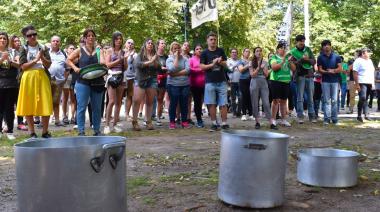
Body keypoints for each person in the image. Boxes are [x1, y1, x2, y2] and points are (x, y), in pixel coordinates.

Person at [66, 28, 105, 136]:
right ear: (85, 38)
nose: (91, 37)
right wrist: (75, 68)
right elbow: (68, 60)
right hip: (82, 82)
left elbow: (103, 62)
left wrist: (100, 54)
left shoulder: (99, 50)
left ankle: (97, 130)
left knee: (97, 107)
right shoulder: (79, 50)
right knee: (82, 106)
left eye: (92, 35)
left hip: (97, 82)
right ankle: (81, 131)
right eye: (88, 36)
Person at [16, 25, 52, 138]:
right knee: (28, 104)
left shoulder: (43, 47)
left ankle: (45, 132)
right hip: (28, 77)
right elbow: (22, 66)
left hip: (42, 76)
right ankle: (32, 132)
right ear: (26, 37)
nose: (32, 37)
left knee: (45, 103)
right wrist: (35, 60)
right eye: (29, 35)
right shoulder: (23, 48)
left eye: (34, 34)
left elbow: (49, 64)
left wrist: (42, 58)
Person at [200, 32, 229, 131]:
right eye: (211, 39)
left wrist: (220, 62)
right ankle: (214, 123)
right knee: (211, 103)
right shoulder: (204, 53)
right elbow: (202, 67)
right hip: (210, 82)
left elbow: (226, 64)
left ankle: (224, 123)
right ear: (207, 41)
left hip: (222, 81)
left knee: (223, 103)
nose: (213, 41)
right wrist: (212, 64)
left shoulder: (221, 50)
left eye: (215, 39)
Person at [131, 38, 161, 131]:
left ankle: (148, 121)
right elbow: (138, 65)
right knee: (137, 100)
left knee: (150, 101)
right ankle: (135, 121)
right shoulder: (140, 55)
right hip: (140, 79)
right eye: (149, 43)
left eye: (152, 43)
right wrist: (150, 62)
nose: (150, 44)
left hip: (152, 79)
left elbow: (159, 67)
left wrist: (155, 63)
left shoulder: (155, 56)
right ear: (145, 44)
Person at [104, 32, 126, 134]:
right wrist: (119, 60)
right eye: (117, 39)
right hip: (112, 77)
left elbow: (124, 67)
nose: (119, 41)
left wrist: (124, 60)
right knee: (111, 101)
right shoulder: (109, 51)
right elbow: (107, 65)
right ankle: (107, 125)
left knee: (118, 102)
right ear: (113, 40)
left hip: (121, 77)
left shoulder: (123, 52)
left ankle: (115, 124)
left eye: (120, 39)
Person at [290, 34, 316, 123]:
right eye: (300, 41)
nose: (302, 43)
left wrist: (307, 59)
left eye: (303, 41)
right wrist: (302, 59)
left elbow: (313, 61)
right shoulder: (292, 52)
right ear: (296, 42)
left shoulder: (308, 49)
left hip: (310, 75)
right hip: (300, 76)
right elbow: (293, 65)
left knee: (310, 97)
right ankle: (300, 116)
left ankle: (312, 116)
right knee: (300, 97)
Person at [249, 46, 277, 129]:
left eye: (260, 51)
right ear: (254, 53)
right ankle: (257, 122)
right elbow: (252, 75)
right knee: (255, 102)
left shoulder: (265, 62)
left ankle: (271, 122)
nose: (259, 52)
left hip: (263, 81)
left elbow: (266, 74)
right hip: (254, 82)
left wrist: (264, 68)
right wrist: (258, 68)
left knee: (266, 102)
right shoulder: (251, 62)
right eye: (257, 51)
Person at [269, 42, 294, 130]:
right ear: (278, 49)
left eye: (285, 48)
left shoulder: (288, 59)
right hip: (276, 81)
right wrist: (283, 60)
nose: (284, 50)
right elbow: (274, 68)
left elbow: (294, 69)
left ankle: (283, 119)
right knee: (276, 100)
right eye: (282, 48)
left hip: (286, 81)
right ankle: (273, 119)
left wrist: (290, 61)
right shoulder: (274, 57)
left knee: (284, 101)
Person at [166, 41, 191, 129]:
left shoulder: (185, 59)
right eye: (175, 48)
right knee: (173, 103)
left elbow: (188, 70)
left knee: (184, 103)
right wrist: (176, 58)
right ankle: (172, 122)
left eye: (178, 48)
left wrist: (176, 74)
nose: (177, 50)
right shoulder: (169, 59)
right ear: (172, 50)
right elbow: (172, 69)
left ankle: (184, 121)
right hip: (173, 85)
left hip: (185, 84)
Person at [317, 40, 342, 125]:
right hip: (325, 81)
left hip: (335, 81)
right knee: (326, 100)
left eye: (328, 45)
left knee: (335, 100)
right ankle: (326, 119)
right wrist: (327, 72)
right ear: (322, 47)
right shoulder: (320, 57)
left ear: (330, 46)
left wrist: (333, 70)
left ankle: (335, 119)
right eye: (324, 45)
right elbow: (319, 69)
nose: (326, 47)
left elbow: (340, 69)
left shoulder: (336, 57)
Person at [0, 31, 20, 140]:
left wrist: (10, 60)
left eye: (4, 38)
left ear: (8, 41)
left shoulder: (13, 51)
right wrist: (2, 59)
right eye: (1, 38)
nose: (2, 40)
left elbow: (19, 65)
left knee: (9, 108)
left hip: (11, 84)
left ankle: (10, 131)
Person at [49, 35, 67, 127]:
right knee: (45, 101)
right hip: (47, 80)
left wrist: (64, 79)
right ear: (51, 42)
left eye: (57, 41)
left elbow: (67, 68)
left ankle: (57, 120)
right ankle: (43, 121)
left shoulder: (63, 54)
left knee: (56, 101)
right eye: (54, 41)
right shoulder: (46, 53)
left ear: (60, 43)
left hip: (58, 81)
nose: (55, 42)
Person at [353, 47, 375, 122]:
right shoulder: (358, 61)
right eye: (367, 52)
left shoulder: (370, 61)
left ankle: (366, 115)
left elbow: (372, 72)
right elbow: (355, 73)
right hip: (361, 82)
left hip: (369, 82)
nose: (369, 54)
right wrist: (357, 84)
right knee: (362, 98)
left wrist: (373, 83)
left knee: (366, 98)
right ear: (363, 53)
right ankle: (359, 115)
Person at [189, 44, 206, 128]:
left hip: (205, 84)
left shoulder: (204, 59)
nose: (199, 50)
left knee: (208, 101)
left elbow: (208, 68)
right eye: (197, 49)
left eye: (200, 49)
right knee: (197, 102)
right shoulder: (191, 59)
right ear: (194, 51)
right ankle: (199, 120)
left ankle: (214, 119)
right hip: (195, 84)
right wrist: (200, 70)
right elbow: (190, 69)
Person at [62, 44, 77, 125]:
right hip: (66, 78)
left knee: (73, 98)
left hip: (74, 78)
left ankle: (73, 117)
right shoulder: (64, 57)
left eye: (74, 48)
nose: (72, 49)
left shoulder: (77, 57)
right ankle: (65, 116)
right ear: (67, 50)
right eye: (71, 48)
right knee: (65, 97)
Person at [238, 48, 253, 121]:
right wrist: (248, 65)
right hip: (243, 80)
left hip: (250, 80)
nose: (247, 53)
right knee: (243, 97)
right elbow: (241, 70)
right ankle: (243, 114)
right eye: (246, 51)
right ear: (243, 53)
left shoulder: (251, 61)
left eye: (249, 52)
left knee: (250, 97)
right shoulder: (240, 61)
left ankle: (250, 114)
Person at [156, 39, 168, 126]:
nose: (163, 45)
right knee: (150, 100)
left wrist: (166, 69)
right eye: (162, 43)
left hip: (163, 80)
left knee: (160, 99)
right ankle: (147, 118)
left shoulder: (166, 57)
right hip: (153, 80)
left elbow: (169, 67)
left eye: (164, 43)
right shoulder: (154, 56)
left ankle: (158, 118)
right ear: (158, 45)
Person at [123, 39, 137, 119]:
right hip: (122, 77)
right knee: (119, 96)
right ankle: (115, 116)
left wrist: (132, 56)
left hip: (131, 77)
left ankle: (127, 114)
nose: (130, 44)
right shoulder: (121, 52)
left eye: (132, 43)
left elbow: (136, 66)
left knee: (129, 95)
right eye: (129, 43)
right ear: (125, 44)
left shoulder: (135, 55)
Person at [226, 48, 241, 118]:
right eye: (232, 52)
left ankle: (239, 112)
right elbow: (228, 70)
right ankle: (234, 112)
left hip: (240, 82)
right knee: (233, 98)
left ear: (237, 54)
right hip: (232, 82)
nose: (234, 53)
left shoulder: (240, 61)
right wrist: (234, 66)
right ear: (230, 53)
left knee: (241, 97)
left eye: (235, 52)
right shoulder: (228, 61)